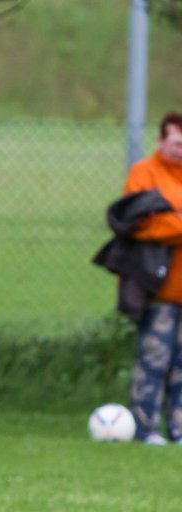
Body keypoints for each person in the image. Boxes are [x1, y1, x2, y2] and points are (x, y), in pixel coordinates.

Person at [123, 112, 182, 444]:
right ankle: (145, 429)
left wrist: (171, 220)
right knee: (154, 359)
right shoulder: (144, 173)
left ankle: (178, 429)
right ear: (161, 141)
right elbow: (143, 225)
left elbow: (164, 224)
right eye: (176, 143)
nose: (180, 150)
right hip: (158, 288)